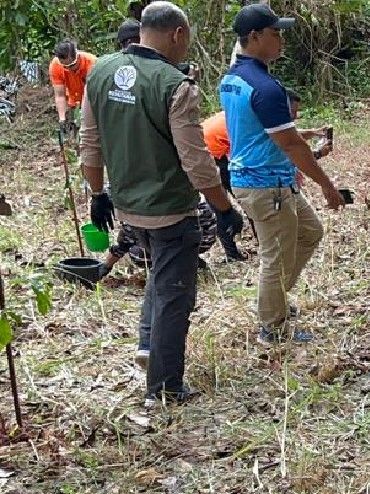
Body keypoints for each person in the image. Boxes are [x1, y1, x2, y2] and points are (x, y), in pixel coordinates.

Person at [80, 1, 243, 404]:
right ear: (177, 34)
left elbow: (90, 140)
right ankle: (165, 386)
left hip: (127, 204)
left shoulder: (99, 71)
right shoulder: (175, 85)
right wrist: (223, 207)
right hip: (169, 208)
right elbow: (196, 159)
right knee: (176, 294)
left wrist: (98, 193)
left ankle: (148, 344)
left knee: (159, 274)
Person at [220, 3, 344, 345]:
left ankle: (272, 299)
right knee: (274, 257)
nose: (281, 41)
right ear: (255, 37)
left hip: (265, 180)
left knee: (309, 231)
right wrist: (327, 186)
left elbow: (268, 133)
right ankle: (272, 329)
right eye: (275, 34)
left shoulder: (233, 78)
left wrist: (298, 136)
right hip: (265, 185)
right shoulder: (264, 87)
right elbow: (290, 145)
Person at [49, 40, 97, 134]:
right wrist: (62, 119)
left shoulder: (91, 63)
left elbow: (94, 93)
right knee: (75, 131)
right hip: (74, 102)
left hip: (91, 102)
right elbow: (60, 95)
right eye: (65, 66)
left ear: (77, 55)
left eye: (71, 65)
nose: (69, 69)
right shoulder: (55, 65)